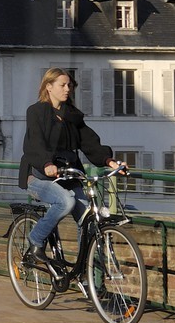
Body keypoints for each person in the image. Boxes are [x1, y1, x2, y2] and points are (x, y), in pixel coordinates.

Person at [19, 67, 123, 268]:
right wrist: (47, 163)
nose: (67, 89)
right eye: (62, 85)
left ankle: (86, 273)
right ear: (48, 87)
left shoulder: (72, 116)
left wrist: (109, 161)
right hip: (39, 175)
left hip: (68, 175)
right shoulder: (36, 111)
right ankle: (35, 240)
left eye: (69, 85)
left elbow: (89, 142)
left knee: (88, 218)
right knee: (65, 202)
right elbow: (34, 143)